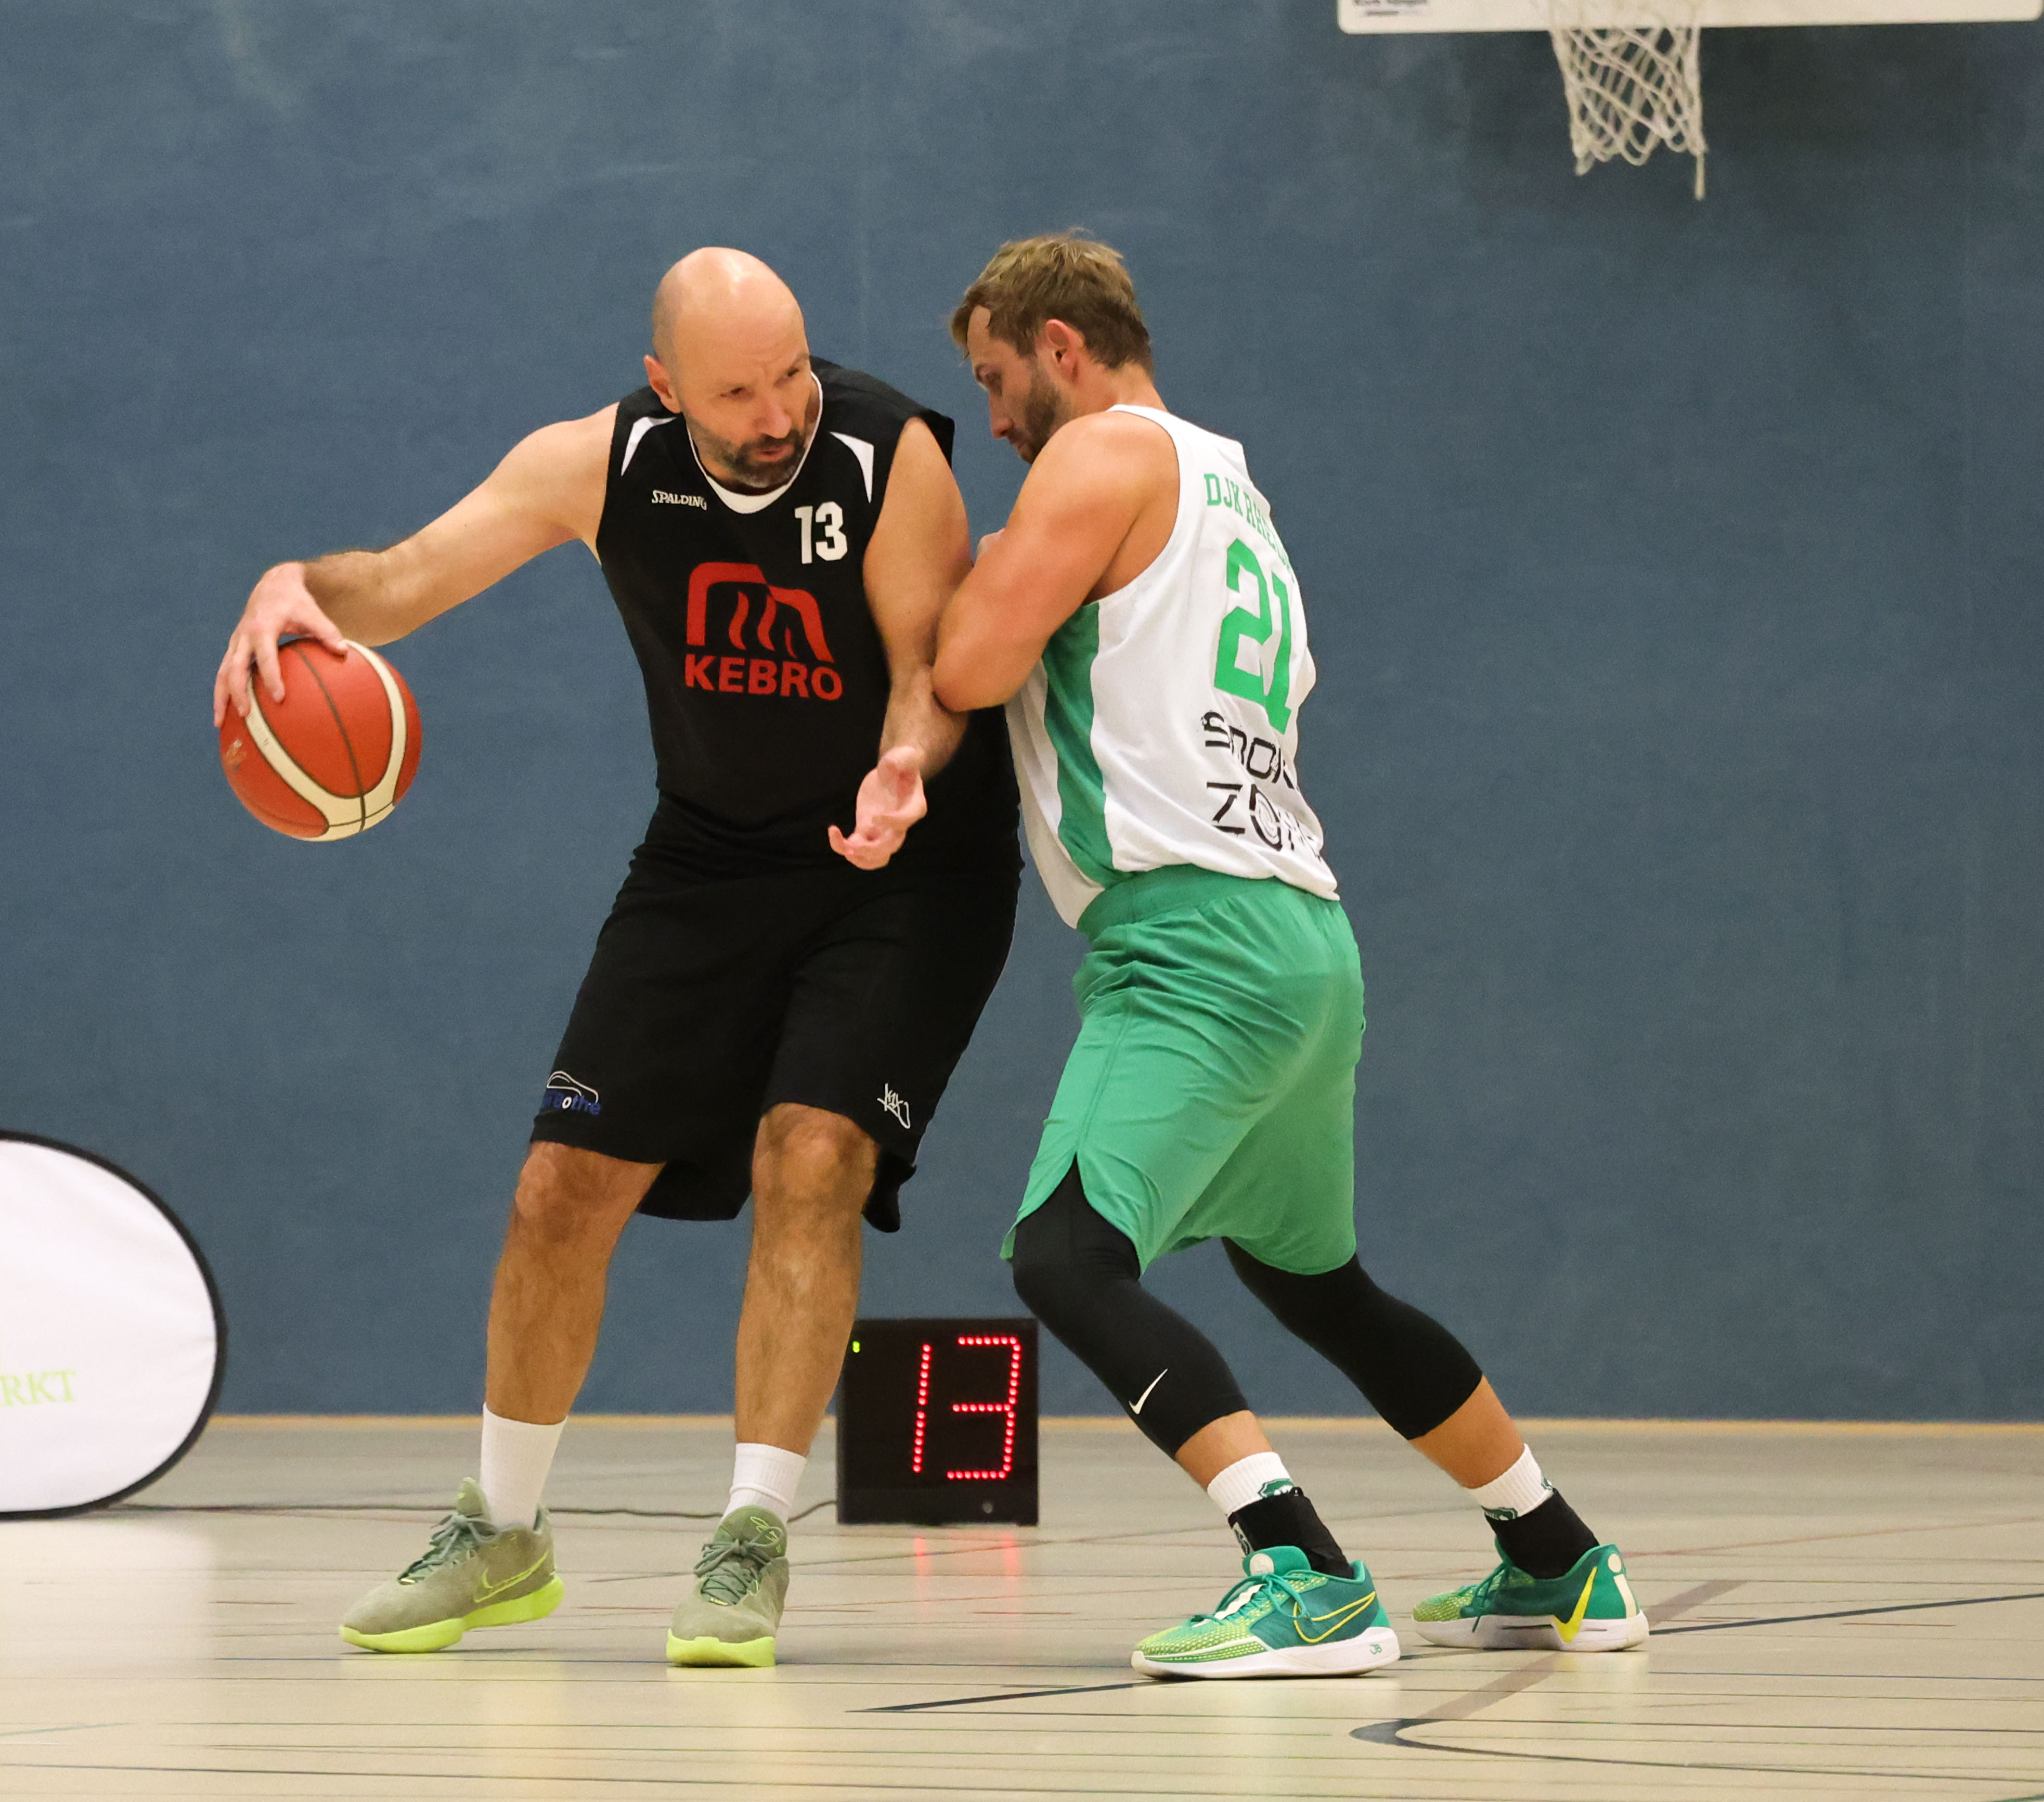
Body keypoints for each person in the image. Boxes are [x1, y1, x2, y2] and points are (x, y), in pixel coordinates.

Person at [214, 248, 1019, 1667]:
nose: (778, 413)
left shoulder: (886, 454)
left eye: (791, 374)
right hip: (709, 860)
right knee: (559, 1188)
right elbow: (396, 584)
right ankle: (500, 1532)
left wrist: (905, 763)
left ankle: (749, 1537)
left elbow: (925, 669)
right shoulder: (598, 463)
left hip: (902, 864)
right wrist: (291, 585)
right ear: (665, 387)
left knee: (810, 1159)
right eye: (739, 392)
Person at [925, 233, 1643, 1678]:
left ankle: (1301, 1570)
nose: (993, 420)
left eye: (997, 381)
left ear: (1062, 347)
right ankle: (1558, 1555)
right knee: (1316, 1283)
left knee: (1063, 1258)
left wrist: (962, 576)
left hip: (1191, 940)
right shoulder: (1233, 489)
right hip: (1305, 940)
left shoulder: (1099, 456)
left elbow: (967, 667)